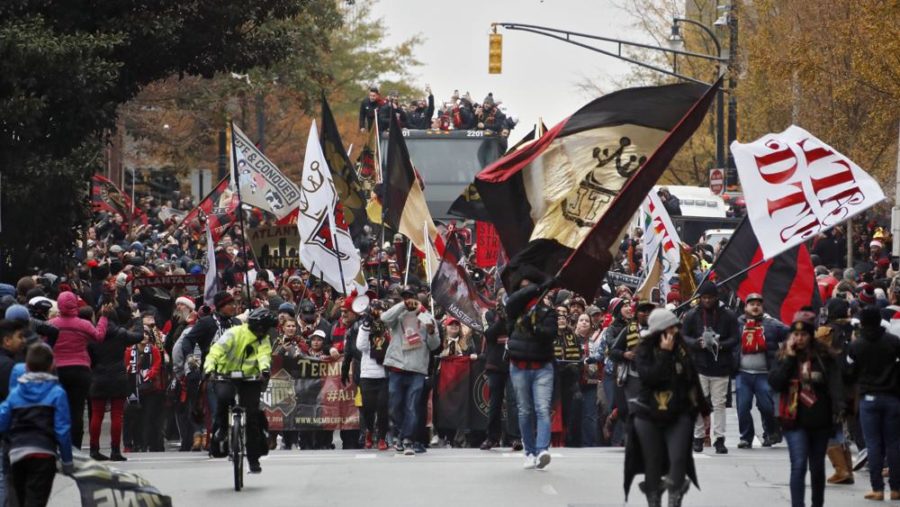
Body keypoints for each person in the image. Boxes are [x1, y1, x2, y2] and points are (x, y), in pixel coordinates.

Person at [625, 309, 708, 507]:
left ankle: (675, 497)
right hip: (649, 412)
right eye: (670, 328)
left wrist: (704, 410)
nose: (674, 332)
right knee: (653, 461)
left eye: (675, 328)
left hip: (679, 412)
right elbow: (650, 377)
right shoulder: (644, 350)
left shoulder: (682, 348)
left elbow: (692, 379)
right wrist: (663, 353)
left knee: (678, 458)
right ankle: (654, 499)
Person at [769, 310, 845, 507]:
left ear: (810, 336)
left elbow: (835, 384)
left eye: (803, 335)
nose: (799, 338)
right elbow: (775, 383)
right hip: (793, 419)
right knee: (799, 464)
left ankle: (816, 503)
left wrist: (840, 408)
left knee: (817, 467)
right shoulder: (785, 354)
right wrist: (789, 359)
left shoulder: (823, 356)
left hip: (820, 419)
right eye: (796, 334)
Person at [0, 344, 73, 507]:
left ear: (26, 367)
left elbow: (3, 421)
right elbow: (62, 430)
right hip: (44, 453)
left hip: (17, 453)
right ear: (52, 366)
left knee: (19, 498)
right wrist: (67, 460)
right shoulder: (57, 393)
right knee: (36, 499)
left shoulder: (16, 393)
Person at [204, 308, 275, 474]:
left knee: (252, 417)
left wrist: (264, 370)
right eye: (261, 328)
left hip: (250, 379)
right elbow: (216, 350)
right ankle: (221, 429)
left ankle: (253, 459)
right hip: (225, 375)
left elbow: (264, 355)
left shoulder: (263, 340)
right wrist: (209, 368)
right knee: (223, 398)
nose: (262, 332)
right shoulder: (234, 333)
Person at [846, 305, 900, 501]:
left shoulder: (857, 345)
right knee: (894, 443)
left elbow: (849, 372)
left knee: (874, 444)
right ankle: (896, 488)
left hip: (868, 397)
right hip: (893, 397)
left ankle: (877, 488)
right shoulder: (893, 342)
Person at [505, 267, 557, 470]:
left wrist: (534, 328)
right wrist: (537, 287)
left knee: (542, 409)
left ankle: (542, 448)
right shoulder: (513, 310)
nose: (525, 291)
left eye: (530, 287)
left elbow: (551, 334)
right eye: (522, 288)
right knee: (525, 411)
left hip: (542, 367)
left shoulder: (548, 312)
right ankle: (529, 451)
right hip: (518, 366)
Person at [381, 285, 440, 455]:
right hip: (397, 366)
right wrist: (402, 305)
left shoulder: (427, 316)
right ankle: (400, 435)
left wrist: (431, 333)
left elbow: (434, 345)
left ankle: (407, 439)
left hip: (417, 368)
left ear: (418, 297)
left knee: (412, 406)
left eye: (411, 296)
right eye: (405, 296)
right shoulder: (397, 314)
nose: (409, 299)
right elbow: (384, 318)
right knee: (394, 406)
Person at [49, 291, 112, 450]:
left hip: (57, 371)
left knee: (58, 409)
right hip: (80, 370)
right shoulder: (83, 324)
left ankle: (59, 445)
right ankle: (75, 447)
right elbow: (99, 336)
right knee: (77, 410)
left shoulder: (51, 324)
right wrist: (103, 317)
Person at [681, 281, 738, 454]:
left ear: (716, 297)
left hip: (720, 366)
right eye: (704, 298)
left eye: (710, 298)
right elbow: (684, 337)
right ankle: (698, 438)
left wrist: (721, 345)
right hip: (699, 365)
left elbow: (735, 338)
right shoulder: (692, 315)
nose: (707, 301)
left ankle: (719, 439)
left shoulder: (728, 315)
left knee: (719, 403)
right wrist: (697, 343)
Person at [87, 309, 142, 461]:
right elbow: (139, 336)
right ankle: (115, 450)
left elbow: (90, 357)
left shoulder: (93, 335)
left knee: (96, 414)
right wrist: (137, 319)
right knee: (117, 414)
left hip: (98, 376)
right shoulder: (121, 334)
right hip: (118, 376)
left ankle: (94, 449)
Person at [735, 293, 788, 449]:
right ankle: (746, 437)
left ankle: (771, 432)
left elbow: (791, 333)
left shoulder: (772, 324)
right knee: (743, 407)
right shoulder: (737, 324)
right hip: (743, 373)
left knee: (766, 406)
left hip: (764, 374)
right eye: (752, 304)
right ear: (746, 307)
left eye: (758, 304)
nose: (755, 306)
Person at [480, 303, 521, 451]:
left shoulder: (517, 313)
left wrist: (508, 318)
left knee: (513, 401)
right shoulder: (488, 315)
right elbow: (489, 335)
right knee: (494, 403)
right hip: (495, 364)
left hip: (513, 363)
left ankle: (515, 437)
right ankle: (492, 438)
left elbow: (517, 333)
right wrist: (501, 320)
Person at [356, 300, 390, 451]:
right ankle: (369, 431)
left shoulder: (389, 327)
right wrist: (366, 326)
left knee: (383, 408)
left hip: (384, 374)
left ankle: (382, 437)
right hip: (368, 374)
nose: (378, 313)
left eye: (380, 310)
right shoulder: (365, 325)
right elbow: (361, 346)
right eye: (375, 310)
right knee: (368, 408)